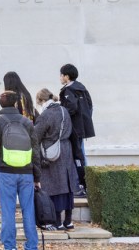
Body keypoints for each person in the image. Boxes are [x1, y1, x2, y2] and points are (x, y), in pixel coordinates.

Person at [0, 90, 41, 250]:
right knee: (28, 210)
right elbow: (36, 152)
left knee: (8, 211)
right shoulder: (27, 123)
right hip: (26, 173)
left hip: (6, 172)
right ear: (16, 103)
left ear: (0, 104)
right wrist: (37, 176)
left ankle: (9, 246)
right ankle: (31, 246)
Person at [33, 88, 80, 231]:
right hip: (66, 149)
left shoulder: (46, 114)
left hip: (51, 153)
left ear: (41, 101)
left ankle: (57, 221)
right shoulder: (63, 110)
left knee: (55, 186)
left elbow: (35, 135)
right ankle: (68, 221)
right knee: (67, 186)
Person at [59, 64, 95, 198]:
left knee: (76, 157)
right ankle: (86, 184)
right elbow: (90, 106)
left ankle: (80, 185)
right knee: (82, 155)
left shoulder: (68, 90)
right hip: (82, 128)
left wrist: (62, 118)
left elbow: (71, 108)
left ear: (66, 77)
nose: (60, 77)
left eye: (61, 75)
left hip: (73, 129)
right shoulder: (82, 88)